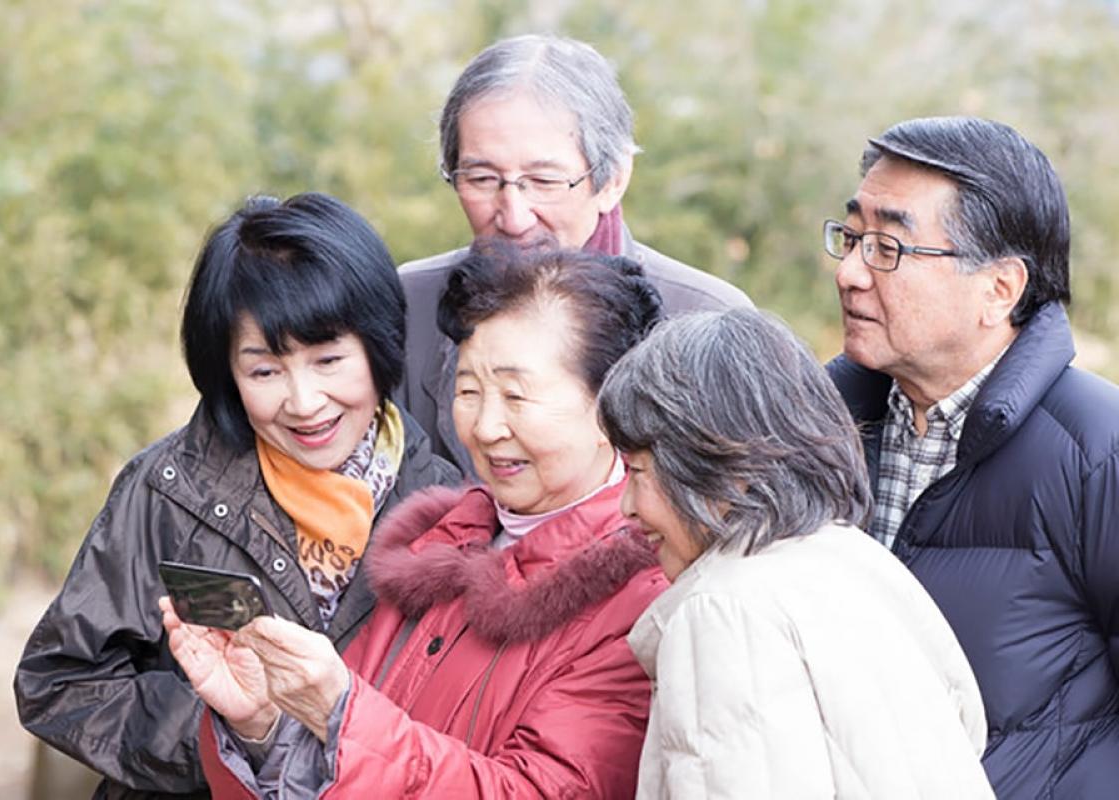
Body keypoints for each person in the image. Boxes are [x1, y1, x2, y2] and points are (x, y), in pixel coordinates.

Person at [163, 245, 667, 798]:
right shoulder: (438, 548)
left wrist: (342, 711)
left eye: (516, 396)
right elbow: (341, 754)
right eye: (469, 391)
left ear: (611, 407)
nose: (485, 427)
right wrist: (261, 724)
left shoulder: (642, 598)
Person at [14, 192, 460, 799]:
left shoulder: (449, 508)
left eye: (329, 360)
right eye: (265, 371)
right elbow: (59, 682)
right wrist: (233, 733)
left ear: (379, 346)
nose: (304, 402)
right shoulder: (171, 488)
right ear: (226, 371)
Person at [824, 116, 1119, 797]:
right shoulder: (815, 429)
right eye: (852, 238)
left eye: (889, 247)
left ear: (999, 289)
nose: (849, 273)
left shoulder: (1097, 452)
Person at [597, 309, 993, 798]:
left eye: (638, 472)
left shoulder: (723, 612)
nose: (627, 507)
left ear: (725, 466)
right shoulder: (851, 559)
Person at [396, 33, 752, 472]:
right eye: (482, 179)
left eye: (544, 182)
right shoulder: (407, 308)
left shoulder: (710, 322)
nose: (514, 216)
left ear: (613, 179)